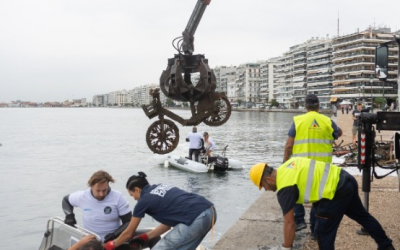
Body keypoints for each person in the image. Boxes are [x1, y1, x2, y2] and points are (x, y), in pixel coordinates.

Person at [249, 157, 395, 250]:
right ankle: (386, 245)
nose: (266, 190)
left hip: (335, 192)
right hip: (345, 178)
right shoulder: (288, 164)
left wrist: (286, 248)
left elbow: (289, 223)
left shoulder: (284, 187)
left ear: (268, 179)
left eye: (263, 186)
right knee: (362, 216)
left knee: (322, 233)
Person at [104, 172, 217, 250]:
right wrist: (145, 237)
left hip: (196, 218)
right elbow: (167, 225)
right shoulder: (160, 187)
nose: (134, 198)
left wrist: (113, 244)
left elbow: (128, 233)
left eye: (132, 195)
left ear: (137, 190)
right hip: (210, 212)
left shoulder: (143, 201)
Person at [283, 94, 342, 238]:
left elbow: (289, 145)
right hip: (322, 168)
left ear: (305, 106)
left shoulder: (298, 121)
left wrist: (285, 163)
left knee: (293, 191)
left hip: (301, 167)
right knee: (318, 197)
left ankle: (299, 219)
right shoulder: (327, 121)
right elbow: (339, 132)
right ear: (319, 105)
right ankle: (315, 230)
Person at [62, 170, 132, 242]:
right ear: (91, 186)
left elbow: (129, 221)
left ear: (108, 184)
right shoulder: (82, 196)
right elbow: (66, 200)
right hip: (90, 241)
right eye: (98, 190)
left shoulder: (118, 198)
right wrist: (69, 216)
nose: (101, 194)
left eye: (104, 190)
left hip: (112, 241)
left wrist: (115, 234)